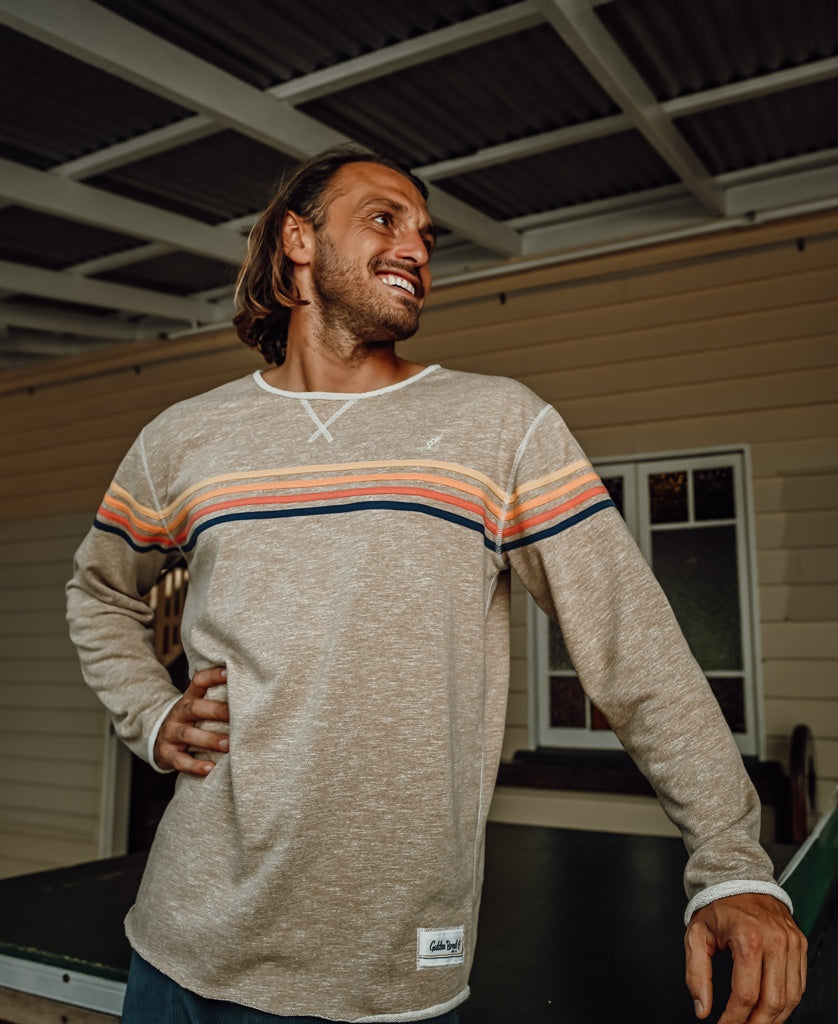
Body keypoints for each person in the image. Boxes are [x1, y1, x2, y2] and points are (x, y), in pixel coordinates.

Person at [67, 145, 806, 1024]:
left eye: (426, 232)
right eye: (385, 219)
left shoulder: (500, 426)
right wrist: (151, 718)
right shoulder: (183, 439)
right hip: (178, 953)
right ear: (298, 242)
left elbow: (631, 646)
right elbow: (98, 591)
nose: (417, 246)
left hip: (390, 981)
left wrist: (730, 862)